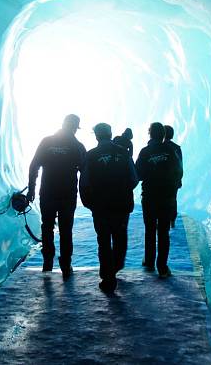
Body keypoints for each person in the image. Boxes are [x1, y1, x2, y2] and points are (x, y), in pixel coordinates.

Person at [79, 123, 138, 293]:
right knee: (120, 237)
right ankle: (116, 266)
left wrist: (89, 203)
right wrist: (122, 191)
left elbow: (84, 183)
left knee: (103, 241)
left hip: (100, 206)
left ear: (96, 136)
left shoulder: (90, 156)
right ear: (111, 134)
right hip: (121, 204)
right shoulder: (123, 153)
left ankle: (108, 277)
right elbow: (134, 179)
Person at [27, 114, 86, 279]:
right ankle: (66, 265)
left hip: (47, 193)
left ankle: (47, 264)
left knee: (47, 228)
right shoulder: (77, 146)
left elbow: (34, 166)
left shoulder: (47, 142)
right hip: (67, 195)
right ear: (75, 127)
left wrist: (31, 189)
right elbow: (86, 171)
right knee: (66, 230)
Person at [135, 122, 182, 278]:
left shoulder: (145, 152)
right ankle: (162, 267)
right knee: (163, 231)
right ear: (163, 135)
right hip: (167, 198)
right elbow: (179, 171)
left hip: (149, 197)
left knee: (150, 230)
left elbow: (138, 174)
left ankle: (149, 262)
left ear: (150, 134)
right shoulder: (171, 150)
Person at [163, 125, 183, 228]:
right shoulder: (177, 148)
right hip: (173, 180)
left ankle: (162, 221)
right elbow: (180, 165)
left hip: (163, 180)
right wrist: (179, 180)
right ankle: (172, 221)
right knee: (173, 199)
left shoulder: (161, 147)